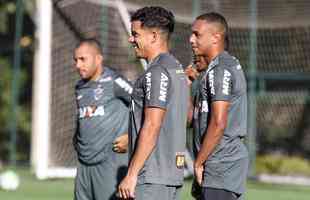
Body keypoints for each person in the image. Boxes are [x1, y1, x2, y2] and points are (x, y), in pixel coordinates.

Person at [118, 6, 189, 200]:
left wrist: (131, 174)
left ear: (154, 36)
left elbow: (152, 125)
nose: (131, 39)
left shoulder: (156, 72)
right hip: (170, 175)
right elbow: (187, 117)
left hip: (151, 177)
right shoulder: (177, 69)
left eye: (135, 34)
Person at [189, 12, 249, 200]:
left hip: (222, 164)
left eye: (197, 34)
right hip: (213, 166)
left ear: (216, 37)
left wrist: (198, 162)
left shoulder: (221, 69)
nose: (191, 39)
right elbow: (190, 120)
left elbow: (219, 122)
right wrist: (185, 85)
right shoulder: (211, 71)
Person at [73, 38, 133, 200]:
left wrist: (131, 136)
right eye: (76, 60)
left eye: (83, 59)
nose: (78, 65)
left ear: (98, 59)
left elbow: (144, 105)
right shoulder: (79, 87)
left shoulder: (114, 81)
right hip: (84, 163)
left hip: (109, 162)